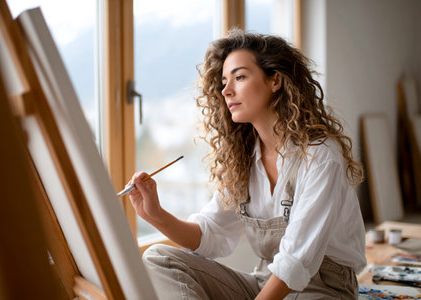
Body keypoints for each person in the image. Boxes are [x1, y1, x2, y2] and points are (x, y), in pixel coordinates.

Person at [126, 29, 366, 300]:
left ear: (275, 80)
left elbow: (296, 260)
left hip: (323, 289)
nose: (226, 90)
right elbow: (212, 233)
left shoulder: (321, 155)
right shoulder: (244, 159)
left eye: (239, 77)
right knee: (159, 258)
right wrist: (155, 214)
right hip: (265, 283)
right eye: (224, 81)